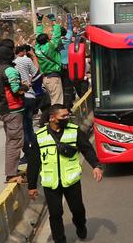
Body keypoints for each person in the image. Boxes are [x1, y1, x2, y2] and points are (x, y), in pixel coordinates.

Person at [27, 104, 103, 243]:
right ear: (52, 118)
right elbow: (33, 163)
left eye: (67, 115)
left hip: (71, 181)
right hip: (51, 183)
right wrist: (31, 186)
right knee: (55, 214)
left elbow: (87, 149)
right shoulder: (39, 136)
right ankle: (59, 239)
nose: (67, 118)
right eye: (63, 116)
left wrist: (96, 166)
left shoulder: (74, 131)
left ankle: (80, 225)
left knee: (78, 210)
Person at [0, 45, 25, 182]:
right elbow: (16, 90)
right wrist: (25, 86)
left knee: (10, 140)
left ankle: (13, 169)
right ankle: (11, 173)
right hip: (13, 109)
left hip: (2, 109)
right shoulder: (9, 70)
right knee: (15, 142)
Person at [34, 15, 66, 107]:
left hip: (45, 79)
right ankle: (56, 119)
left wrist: (39, 22)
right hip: (54, 78)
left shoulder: (37, 48)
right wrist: (53, 21)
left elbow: (38, 35)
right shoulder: (50, 46)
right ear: (48, 40)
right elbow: (56, 34)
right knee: (57, 103)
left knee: (53, 101)